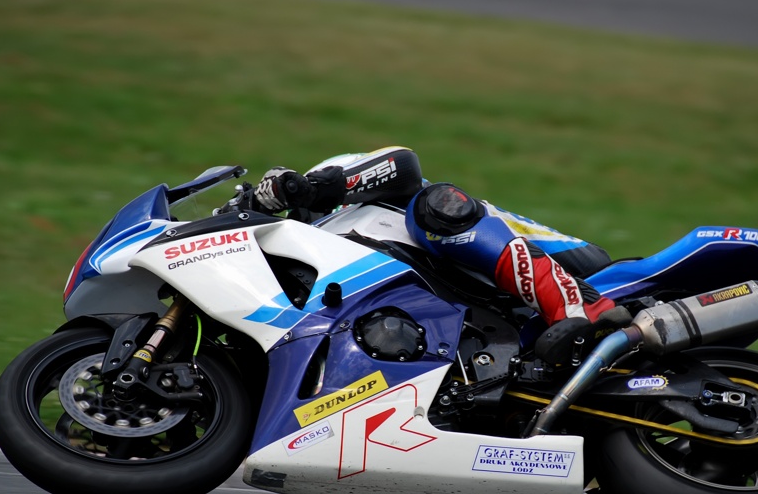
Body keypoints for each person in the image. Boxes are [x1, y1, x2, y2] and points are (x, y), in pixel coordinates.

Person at [253, 145, 631, 364]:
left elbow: (402, 163)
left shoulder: (376, 200)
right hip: (498, 314)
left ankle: (580, 307)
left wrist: (309, 188)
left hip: (584, 269)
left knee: (435, 208)